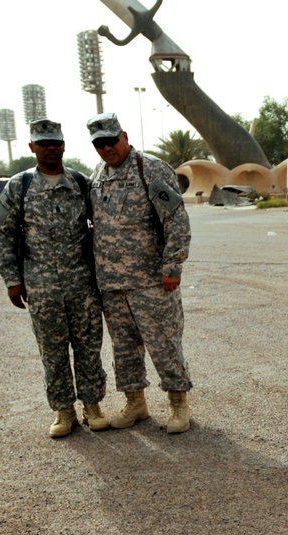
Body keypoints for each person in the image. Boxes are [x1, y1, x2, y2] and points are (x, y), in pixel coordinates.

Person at [0, 119, 109, 438]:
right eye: (44, 143)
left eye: (56, 142)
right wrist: (11, 279)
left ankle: (92, 405)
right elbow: (2, 231)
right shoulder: (20, 185)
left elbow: (103, 228)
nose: (51, 148)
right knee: (53, 352)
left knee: (88, 349)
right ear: (32, 147)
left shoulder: (81, 183)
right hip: (42, 289)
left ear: (64, 145)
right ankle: (63, 409)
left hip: (82, 285)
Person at [86, 112, 193, 434]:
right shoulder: (97, 175)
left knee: (164, 344)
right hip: (111, 283)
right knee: (124, 347)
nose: (107, 149)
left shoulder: (152, 169)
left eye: (111, 141)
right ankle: (136, 403)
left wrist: (172, 267)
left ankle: (178, 405)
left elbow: (176, 220)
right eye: (99, 144)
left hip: (151, 281)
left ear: (125, 136)